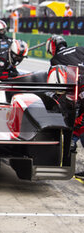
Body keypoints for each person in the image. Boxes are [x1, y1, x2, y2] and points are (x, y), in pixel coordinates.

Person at [45, 35, 84, 179]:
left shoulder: (55, 60)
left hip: (79, 94)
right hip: (81, 93)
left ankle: (69, 147)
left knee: (77, 126)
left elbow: (56, 85)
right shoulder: (80, 49)